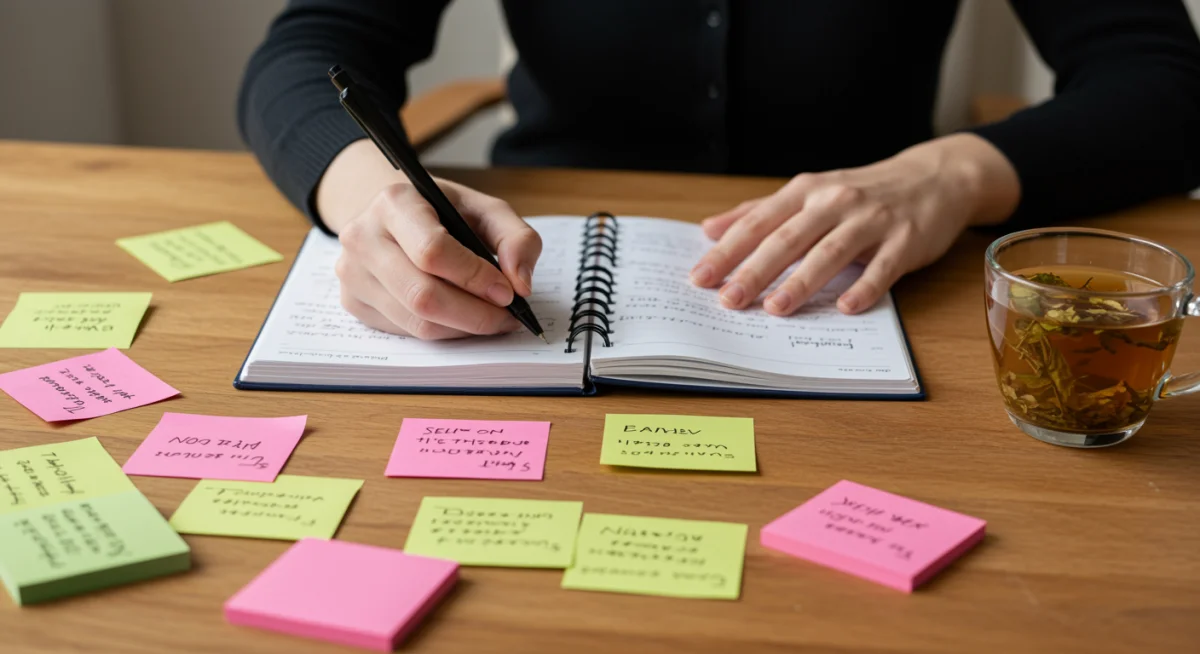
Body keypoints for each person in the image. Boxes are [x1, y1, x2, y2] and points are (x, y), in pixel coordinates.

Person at [239, 1, 1200, 341]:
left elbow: (1164, 80)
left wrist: (955, 174)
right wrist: (371, 195)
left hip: (889, 293)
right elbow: (312, 46)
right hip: (538, 265)